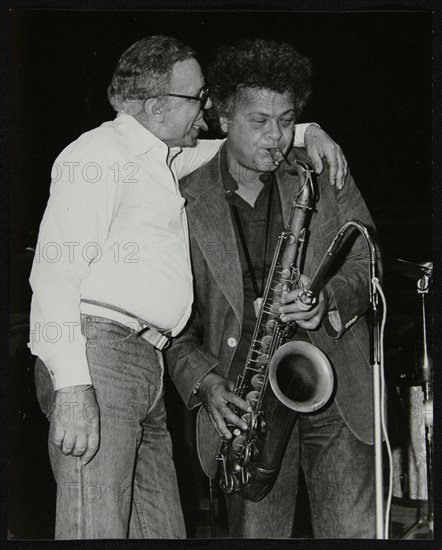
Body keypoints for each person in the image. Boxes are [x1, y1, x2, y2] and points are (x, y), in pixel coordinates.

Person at [28, 35, 346, 539]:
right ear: (156, 106)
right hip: (101, 357)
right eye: (198, 98)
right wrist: (71, 387)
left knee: (162, 533)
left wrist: (310, 130)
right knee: (95, 527)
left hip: (143, 363)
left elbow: (239, 141)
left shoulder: (163, 158)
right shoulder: (97, 154)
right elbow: (53, 272)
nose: (208, 110)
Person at [167, 38, 380, 538]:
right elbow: (168, 321)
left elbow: (366, 255)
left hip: (333, 383)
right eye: (259, 122)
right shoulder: (180, 199)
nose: (277, 137)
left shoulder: (321, 171)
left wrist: (328, 298)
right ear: (221, 119)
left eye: (287, 120)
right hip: (244, 404)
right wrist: (204, 382)